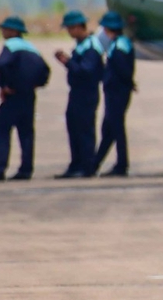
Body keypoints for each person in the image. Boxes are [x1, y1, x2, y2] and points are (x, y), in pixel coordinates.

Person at [0, 16, 48, 180]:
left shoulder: (10, 46)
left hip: (13, 95)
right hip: (29, 96)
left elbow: (1, 64)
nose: (2, 32)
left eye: (5, 29)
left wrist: (4, 85)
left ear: (13, 31)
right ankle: (26, 169)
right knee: (26, 133)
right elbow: (45, 70)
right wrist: (37, 83)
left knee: (0, 130)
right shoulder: (31, 48)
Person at [54, 11, 104, 178]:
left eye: (70, 28)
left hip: (86, 93)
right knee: (74, 128)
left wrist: (68, 62)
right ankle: (76, 164)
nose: (69, 32)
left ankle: (87, 166)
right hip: (77, 93)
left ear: (78, 27)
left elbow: (86, 71)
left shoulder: (91, 47)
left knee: (84, 130)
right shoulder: (82, 46)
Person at [93, 12, 135, 177]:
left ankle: (122, 164)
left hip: (117, 93)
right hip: (117, 92)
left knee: (116, 129)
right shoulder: (121, 44)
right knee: (110, 129)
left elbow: (122, 71)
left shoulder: (118, 47)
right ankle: (95, 163)